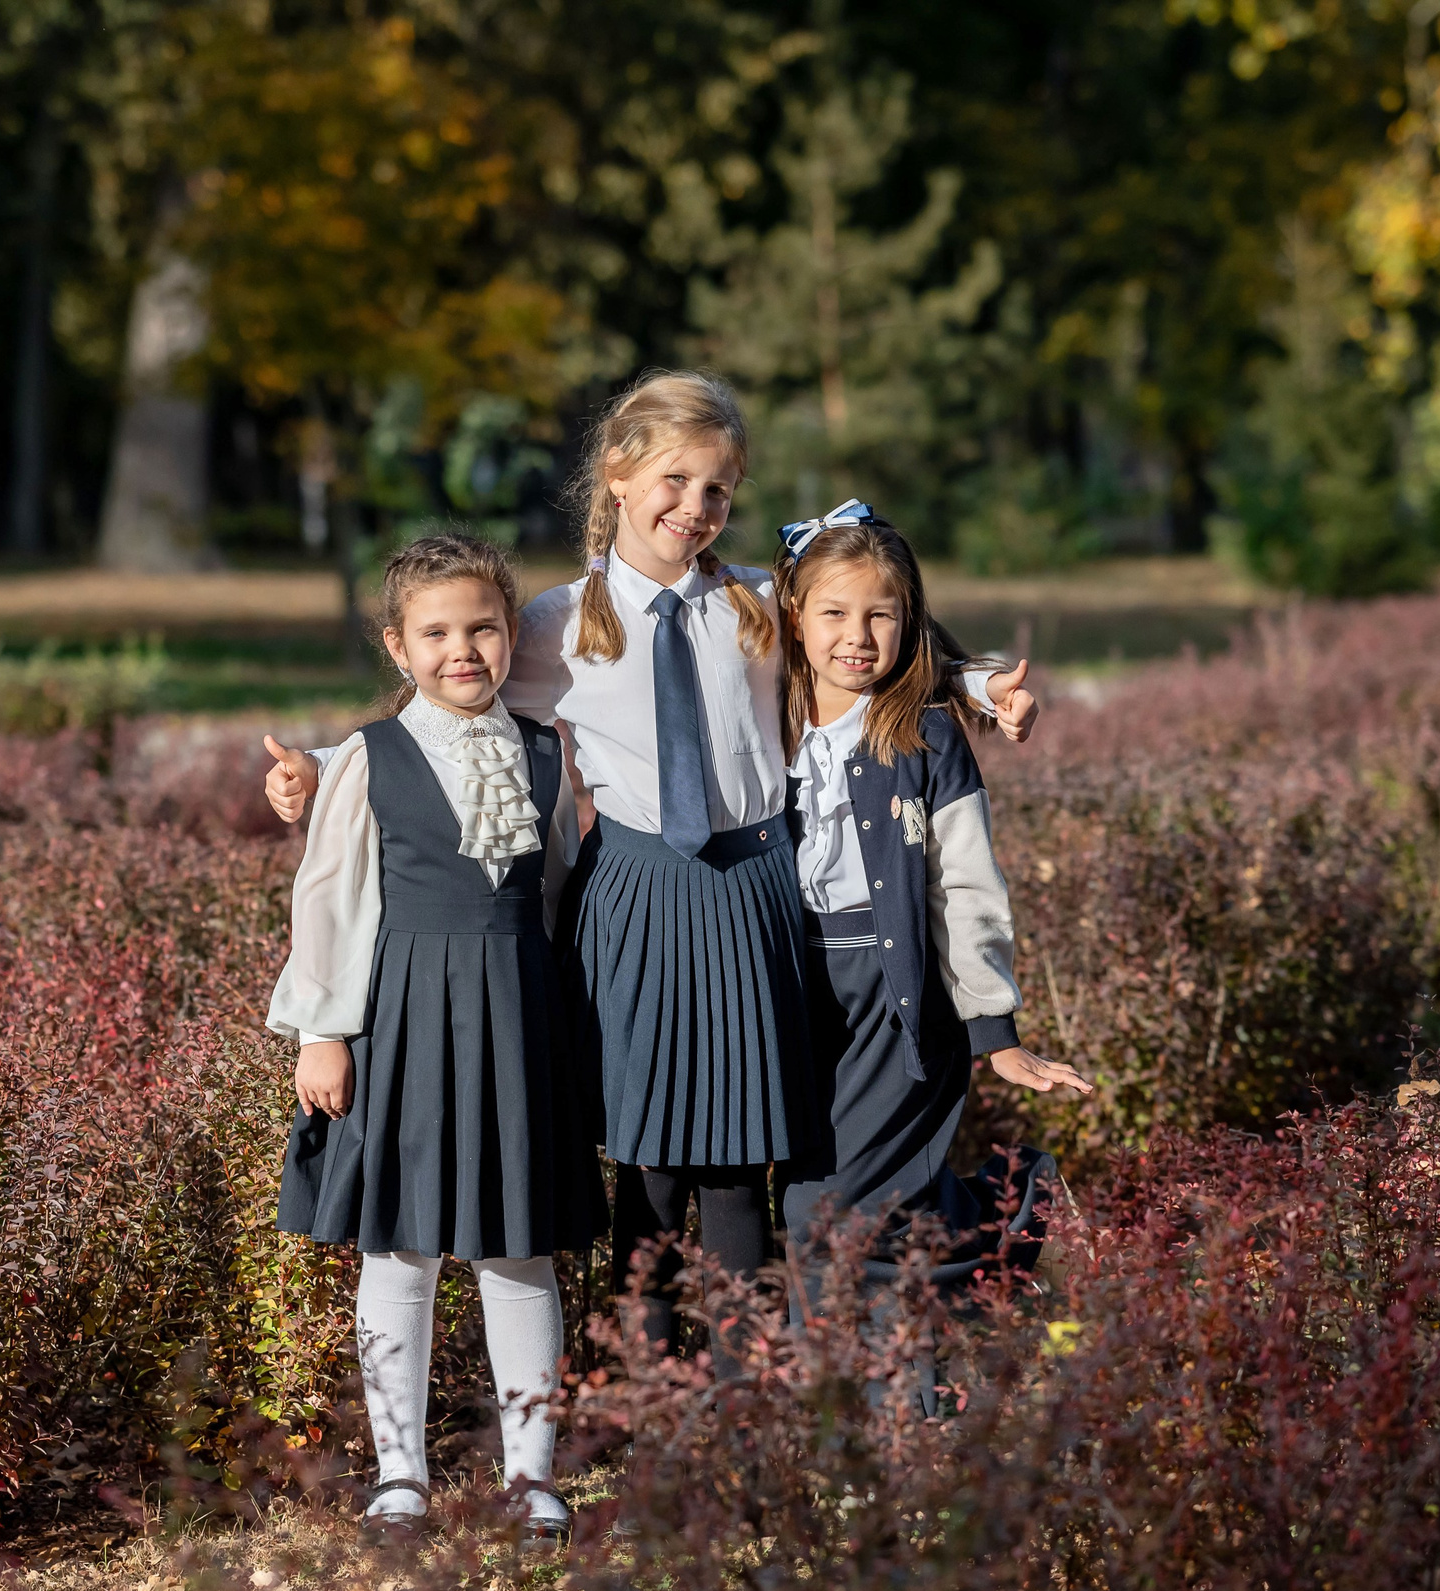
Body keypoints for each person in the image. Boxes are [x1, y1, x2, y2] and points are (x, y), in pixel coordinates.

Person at [265, 371, 1040, 1361]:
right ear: (619, 477)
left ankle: (737, 1380)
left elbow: (872, 639)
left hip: (752, 897)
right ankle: (645, 1379)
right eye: (675, 480)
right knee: (647, 1156)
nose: (695, 506)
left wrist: (980, 683)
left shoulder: (759, 603)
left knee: (739, 1159)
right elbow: (450, 712)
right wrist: (323, 765)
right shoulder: (555, 623)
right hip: (634, 899)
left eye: (718, 488)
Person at [267, 533, 606, 1545]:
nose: (463, 650)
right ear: (398, 645)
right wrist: (323, 1031)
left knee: (518, 1247)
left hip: (518, 1017)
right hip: (404, 1019)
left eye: (483, 629)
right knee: (400, 1247)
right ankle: (400, 1473)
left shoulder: (544, 752)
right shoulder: (368, 757)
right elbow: (329, 899)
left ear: (511, 635)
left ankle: (531, 1474)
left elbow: (556, 889)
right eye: (437, 633)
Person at [769, 499, 1090, 1375]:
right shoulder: (764, 714)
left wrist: (994, 1026)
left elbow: (968, 883)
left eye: (881, 614)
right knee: (836, 1198)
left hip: (897, 991)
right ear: (793, 615)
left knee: (831, 1210)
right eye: (834, 612)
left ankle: (856, 1392)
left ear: (909, 620)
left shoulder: (926, 734)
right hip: (792, 993)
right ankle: (995, 1229)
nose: (857, 636)